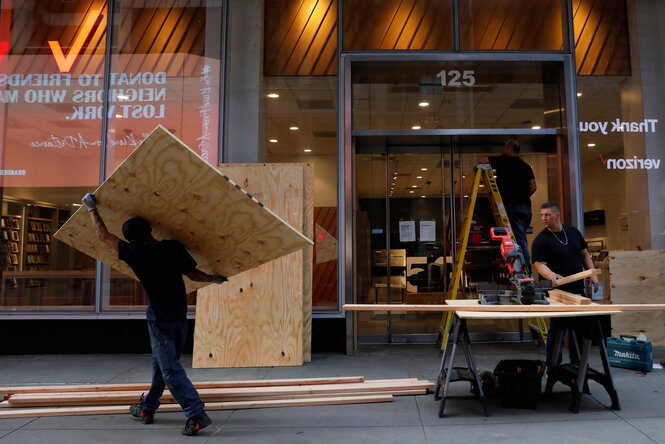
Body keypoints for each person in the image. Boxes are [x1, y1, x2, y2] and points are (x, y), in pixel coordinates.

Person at [82, 193, 227, 436]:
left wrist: (92, 209)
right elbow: (193, 274)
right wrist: (214, 278)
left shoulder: (134, 253)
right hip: (180, 316)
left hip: (159, 320)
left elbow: (103, 235)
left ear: (131, 240)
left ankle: (195, 412)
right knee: (162, 366)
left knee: (169, 368)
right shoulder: (173, 248)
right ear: (151, 230)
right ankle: (147, 408)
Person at [531, 202, 599, 372]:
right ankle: (553, 367)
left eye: (547, 215)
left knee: (579, 330)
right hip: (556, 292)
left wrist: (593, 274)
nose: (544, 218)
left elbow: (584, 254)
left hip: (577, 290)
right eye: (542, 215)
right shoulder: (541, 240)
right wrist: (552, 275)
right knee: (557, 329)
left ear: (557, 216)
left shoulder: (573, 232)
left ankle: (579, 367)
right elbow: (539, 265)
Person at [479, 139, 537, 269]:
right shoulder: (526, 166)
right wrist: (522, 197)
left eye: (505, 149)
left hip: (512, 207)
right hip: (526, 208)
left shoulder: (503, 161)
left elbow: (482, 160)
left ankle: (525, 269)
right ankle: (521, 265)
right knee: (520, 236)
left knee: (519, 240)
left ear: (509, 149)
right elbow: (533, 186)